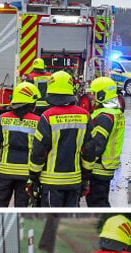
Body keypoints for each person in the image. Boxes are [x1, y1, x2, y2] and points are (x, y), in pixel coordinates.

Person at [28, 71, 91, 207]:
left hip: (51, 183)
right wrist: (85, 177)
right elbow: (89, 151)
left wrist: (33, 176)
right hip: (74, 181)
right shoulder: (85, 116)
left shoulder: (47, 116)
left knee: (52, 221)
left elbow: (39, 151)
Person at [0, 81, 41, 207]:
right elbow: (41, 148)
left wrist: (4, 153)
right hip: (27, 175)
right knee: (22, 209)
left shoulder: (4, 118)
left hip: (5, 172)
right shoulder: (38, 121)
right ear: (31, 104)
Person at [81, 76, 125, 207]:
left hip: (99, 167)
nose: (92, 98)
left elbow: (97, 145)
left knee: (97, 203)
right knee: (100, 201)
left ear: (101, 95)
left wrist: (86, 165)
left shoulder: (104, 117)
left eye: (94, 94)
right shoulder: (115, 112)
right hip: (107, 166)